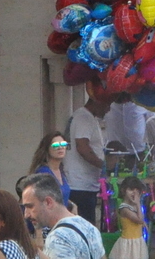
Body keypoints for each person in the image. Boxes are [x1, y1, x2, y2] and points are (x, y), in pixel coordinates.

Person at [22, 174, 105, 259]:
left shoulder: (57, 240)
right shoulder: (89, 227)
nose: (26, 215)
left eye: (30, 206)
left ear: (48, 202)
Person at [64, 90, 110, 224]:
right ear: (97, 101)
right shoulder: (84, 118)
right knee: (85, 225)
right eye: (107, 104)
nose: (108, 109)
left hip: (83, 183)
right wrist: (103, 166)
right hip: (81, 184)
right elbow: (82, 147)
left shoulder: (82, 116)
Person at [29, 132, 72, 206]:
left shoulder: (61, 171)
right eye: (55, 145)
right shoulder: (43, 172)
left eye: (63, 144)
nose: (60, 147)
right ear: (47, 149)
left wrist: (71, 204)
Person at [111, 178, 148, 259]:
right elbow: (139, 220)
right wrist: (138, 203)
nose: (134, 193)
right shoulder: (124, 208)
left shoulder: (133, 205)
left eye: (137, 190)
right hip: (129, 243)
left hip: (137, 241)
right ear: (123, 190)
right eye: (131, 189)